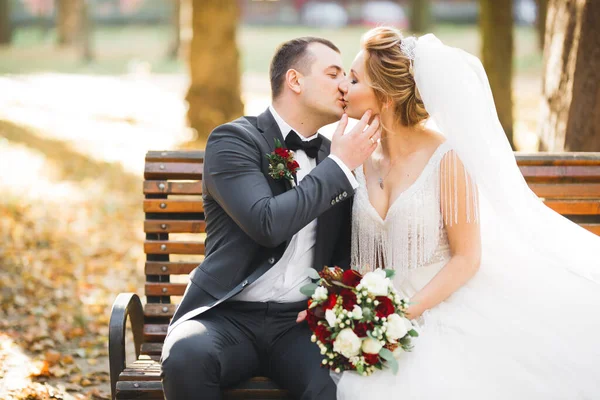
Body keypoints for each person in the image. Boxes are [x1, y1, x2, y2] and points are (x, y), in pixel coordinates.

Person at [334, 26, 600, 399]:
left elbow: (467, 257)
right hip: (378, 313)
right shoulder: (356, 154)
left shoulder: (447, 159)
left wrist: (404, 315)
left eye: (354, 78)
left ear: (386, 98)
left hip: (440, 303)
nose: (343, 86)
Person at [160, 36, 381, 399]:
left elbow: (345, 247)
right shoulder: (233, 141)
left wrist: (328, 300)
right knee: (186, 356)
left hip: (299, 324)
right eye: (333, 73)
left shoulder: (335, 156)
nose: (345, 85)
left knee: (339, 382)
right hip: (226, 316)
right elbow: (267, 224)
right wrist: (341, 166)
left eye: (347, 76)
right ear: (295, 81)